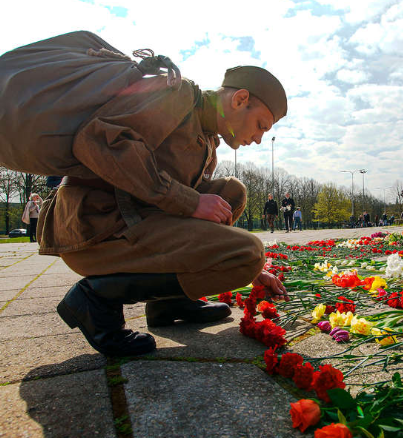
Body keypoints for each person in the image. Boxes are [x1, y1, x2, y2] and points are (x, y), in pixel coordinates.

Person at [38, 65, 289, 357]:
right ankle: (96, 298)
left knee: (231, 193)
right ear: (240, 99)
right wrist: (191, 203)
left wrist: (246, 268)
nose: (258, 138)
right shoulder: (176, 96)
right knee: (248, 253)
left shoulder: (207, 135)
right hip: (99, 227)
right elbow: (95, 141)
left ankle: (168, 302)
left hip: (133, 217)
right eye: (261, 125)